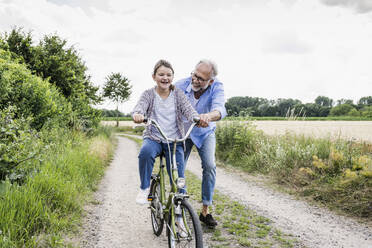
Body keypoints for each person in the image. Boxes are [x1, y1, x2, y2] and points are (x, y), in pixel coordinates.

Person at [132, 59, 199, 205]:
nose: (165, 78)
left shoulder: (178, 94)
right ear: (154, 77)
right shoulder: (148, 94)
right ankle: (144, 188)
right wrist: (138, 114)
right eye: (161, 74)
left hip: (174, 141)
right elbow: (140, 106)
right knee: (145, 153)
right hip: (153, 138)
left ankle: (179, 217)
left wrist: (195, 118)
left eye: (169, 75)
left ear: (172, 77)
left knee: (178, 179)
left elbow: (188, 109)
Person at [175, 59, 227, 227]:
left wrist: (208, 116)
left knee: (210, 165)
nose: (195, 80)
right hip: (183, 132)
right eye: (194, 75)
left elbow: (220, 109)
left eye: (201, 79)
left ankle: (206, 211)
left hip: (204, 132)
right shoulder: (181, 85)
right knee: (178, 168)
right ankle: (181, 206)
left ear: (210, 81)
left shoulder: (217, 87)